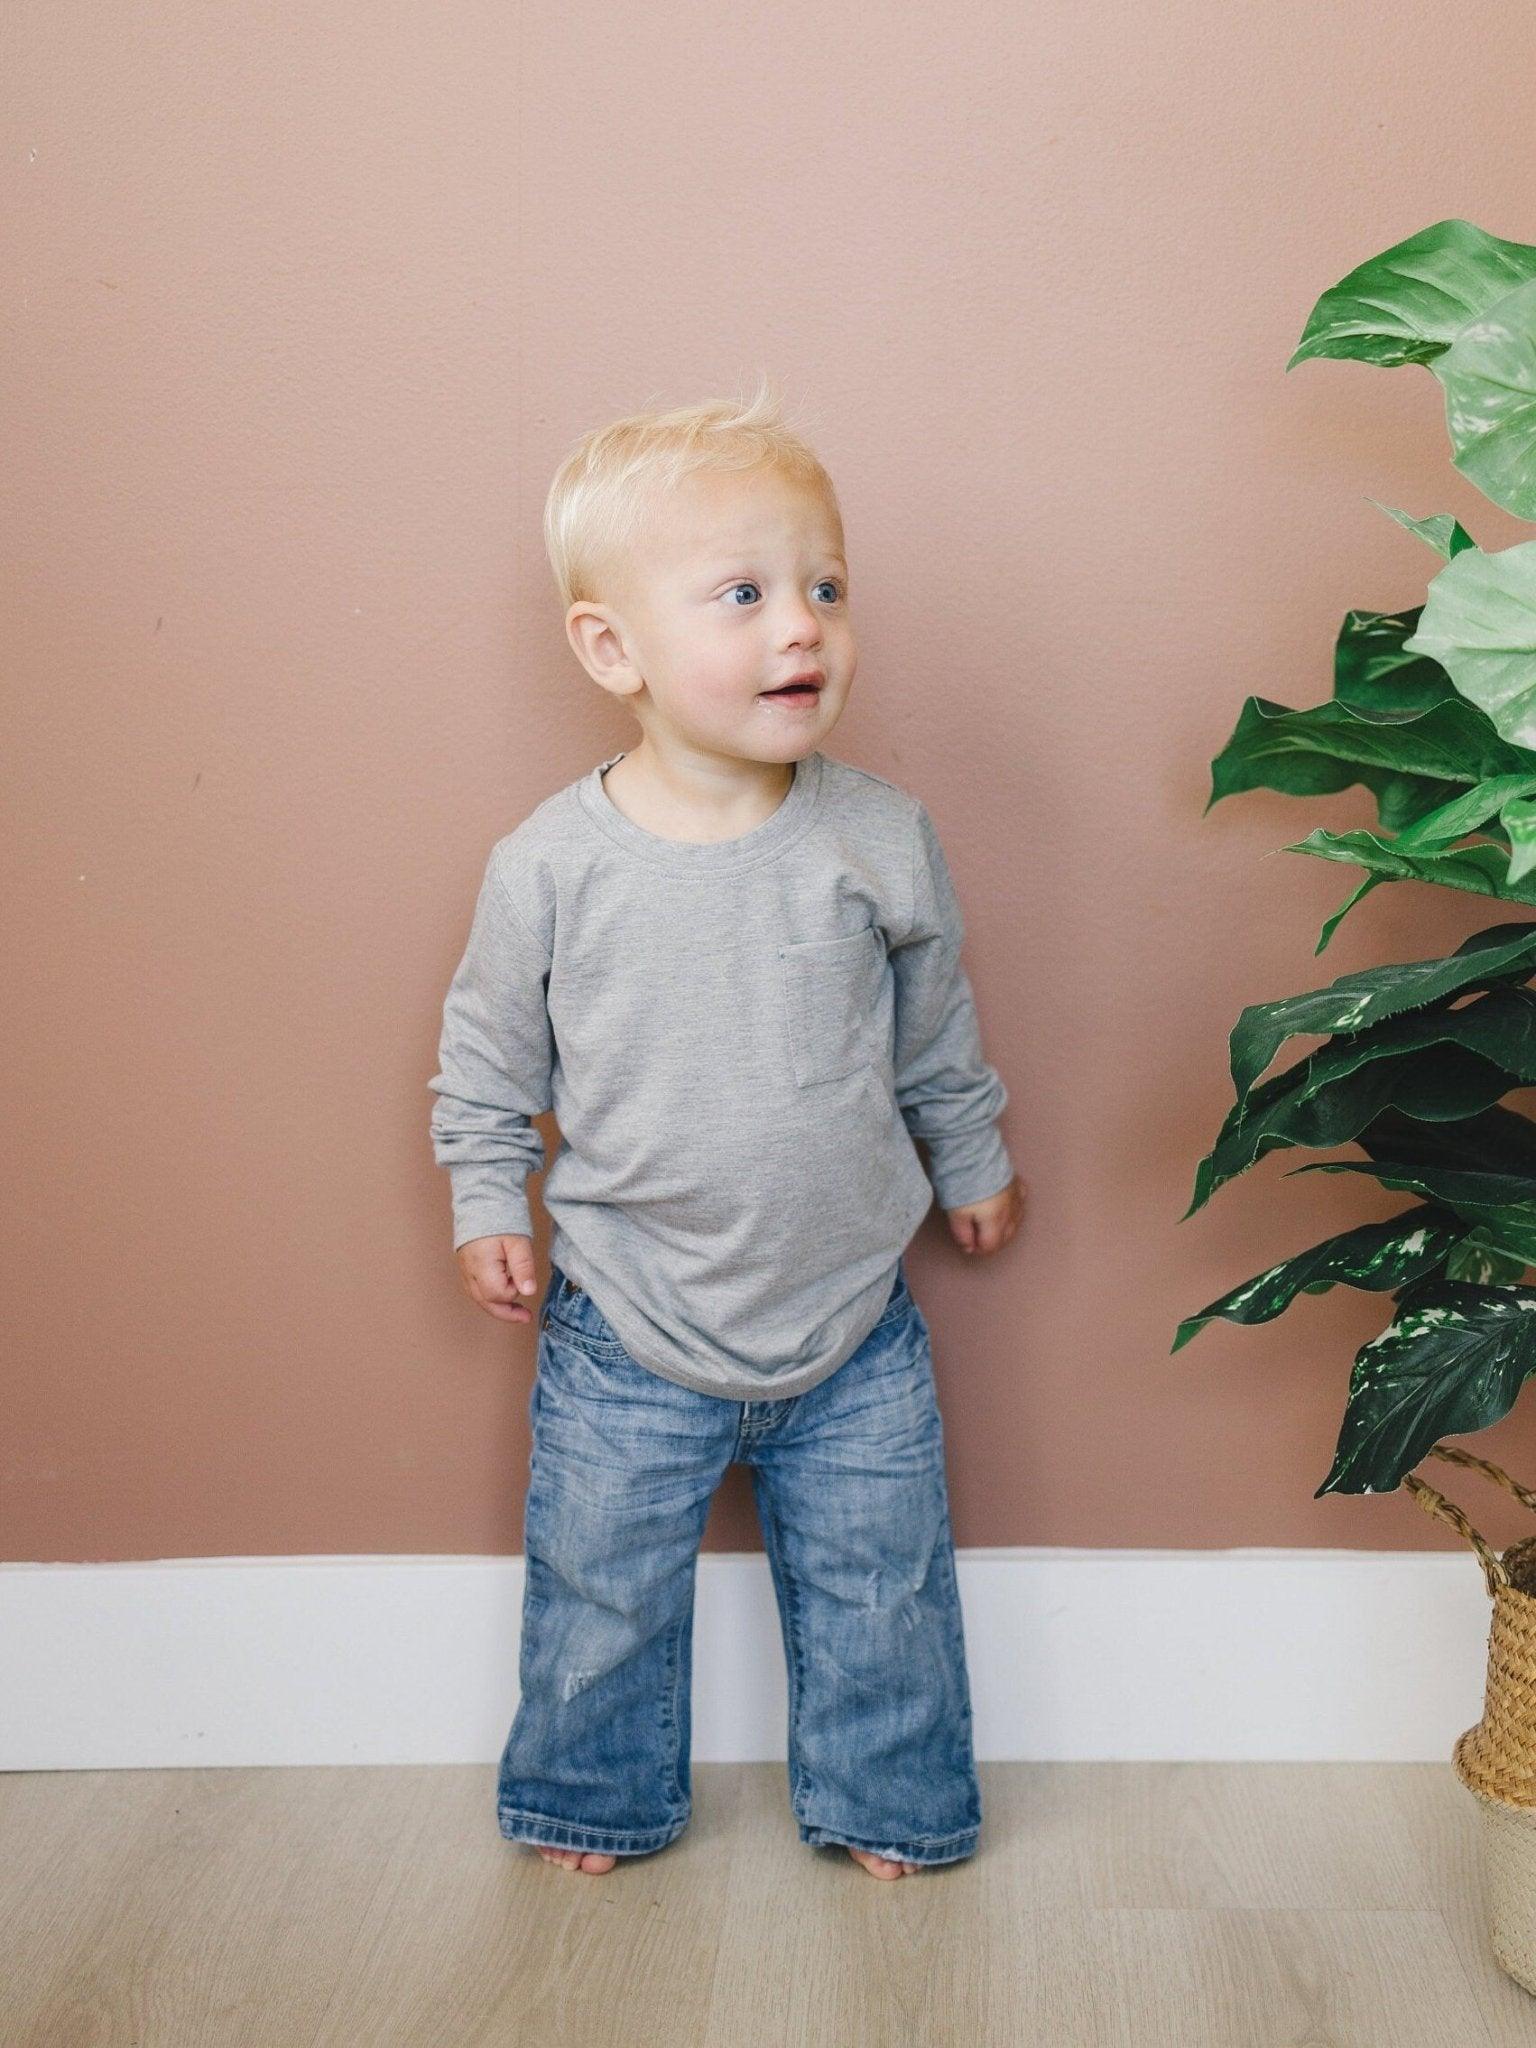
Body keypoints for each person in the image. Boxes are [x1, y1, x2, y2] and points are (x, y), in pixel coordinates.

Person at [427, 375, 1025, 1881]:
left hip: (854, 1320)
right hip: (627, 1324)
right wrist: (487, 1197)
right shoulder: (550, 867)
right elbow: (486, 1058)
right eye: (745, 594)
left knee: (883, 1588)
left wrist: (973, 1160)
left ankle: (890, 1800)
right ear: (611, 648)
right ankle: (593, 1796)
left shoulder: (877, 838)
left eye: (826, 586)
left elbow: (936, 1032)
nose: (803, 627)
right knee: (602, 1589)